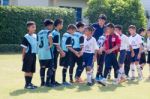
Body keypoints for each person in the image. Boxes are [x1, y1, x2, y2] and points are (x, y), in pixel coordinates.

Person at [20, 21, 38, 89]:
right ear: (28, 28)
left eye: (34, 27)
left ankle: (30, 83)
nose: (34, 28)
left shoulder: (36, 36)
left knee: (32, 70)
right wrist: (23, 57)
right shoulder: (26, 37)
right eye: (32, 27)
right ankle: (27, 85)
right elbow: (24, 49)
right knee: (27, 70)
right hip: (28, 55)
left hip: (33, 55)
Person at [37, 19, 54, 87]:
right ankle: (47, 82)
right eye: (52, 25)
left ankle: (42, 82)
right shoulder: (49, 32)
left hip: (41, 53)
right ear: (49, 25)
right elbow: (50, 37)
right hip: (47, 53)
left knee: (42, 67)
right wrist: (51, 44)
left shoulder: (39, 32)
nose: (52, 27)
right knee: (51, 67)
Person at [92, 14, 107, 81]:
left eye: (102, 20)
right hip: (93, 47)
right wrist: (96, 48)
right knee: (91, 62)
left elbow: (107, 38)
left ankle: (98, 75)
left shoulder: (106, 28)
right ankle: (91, 76)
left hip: (102, 48)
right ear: (98, 20)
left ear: (104, 21)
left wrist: (102, 48)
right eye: (100, 20)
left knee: (101, 62)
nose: (101, 21)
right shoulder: (93, 26)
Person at [50, 18, 65, 86]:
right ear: (58, 24)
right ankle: (52, 81)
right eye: (62, 24)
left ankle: (53, 80)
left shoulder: (55, 32)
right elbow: (56, 45)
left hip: (53, 52)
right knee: (53, 66)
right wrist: (62, 52)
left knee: (54, 66)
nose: (62, 25)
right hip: (53, 52)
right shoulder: (56, 33)